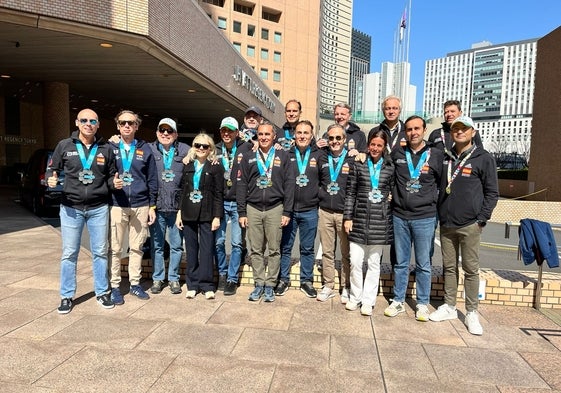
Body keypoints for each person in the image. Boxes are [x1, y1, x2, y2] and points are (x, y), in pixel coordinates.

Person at [429, 116, 498, 335]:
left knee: (470, 269)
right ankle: (449, 306)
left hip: (470, 224)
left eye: (464, 129)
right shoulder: (445, 157)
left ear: (473, 132)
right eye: (455, 129)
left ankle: (471, 312)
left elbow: (492, 192)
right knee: (449, 268)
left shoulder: (482, 158)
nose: (459, 132)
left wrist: (482, 219)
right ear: (451, 133)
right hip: (447, 223)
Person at [47, 108, 121, 314]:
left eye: (93, 121)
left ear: (98, 124)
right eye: (84, 120)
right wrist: (51, 178)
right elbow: (52, 168)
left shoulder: (106, 148)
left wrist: (114, 183)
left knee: (100, 252)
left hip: (98, 207)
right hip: (71, 207)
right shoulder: (64, 145)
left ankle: (102, 292)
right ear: (77, 123)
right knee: (70, 253)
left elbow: (111, 175)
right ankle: (66, 296)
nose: (88, 124)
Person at [384, 115, 443, 322]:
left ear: (424, 130)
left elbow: (443, 185)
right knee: (400, 263)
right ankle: (398, 300)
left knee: (423, 263)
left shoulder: (436, 154)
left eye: (417, 128)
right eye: (409, 129)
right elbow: (388, 176)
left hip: (425, 217)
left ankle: (422, 303)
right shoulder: (398, 153)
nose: (413, 132)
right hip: (400, 215)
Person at [237, 121, 294, 302]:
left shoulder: (283, 156)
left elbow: (290, 185)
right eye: (260, 134)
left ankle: (270, 284)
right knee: (255, 250)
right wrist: (242, 212)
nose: (263, 137)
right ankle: (259, 283)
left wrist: (287, 212)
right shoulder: (248, 156)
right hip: (252, 208)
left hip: (275, 208)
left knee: (274, 249)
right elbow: (241, 185)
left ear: (273, 136)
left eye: (267, 134)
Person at [109, 110, 158, 305]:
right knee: (115, 249)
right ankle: (114, 286)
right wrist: (112, 185)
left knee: (137, 247)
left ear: (137, 126)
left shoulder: (145, 149)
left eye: (131, 123)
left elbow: (152, 179)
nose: (127, 126)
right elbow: (104, 175)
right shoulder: (109, 147)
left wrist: (152, 205)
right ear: (118, 126)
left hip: (140, 205)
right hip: (117, 204)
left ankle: (135, 284)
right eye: (123, 123)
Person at [344, 130, 394, 315]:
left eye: (379, 145)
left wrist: (391, 197)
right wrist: (348, 217)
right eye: (372, 144)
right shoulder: (359, 164)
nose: (375, 148)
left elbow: (394, 188)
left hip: (379, 220)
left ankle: (368, 301)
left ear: (384, 147)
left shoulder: (390, 166)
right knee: (356, 262)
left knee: (374, 264)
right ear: (368, 145)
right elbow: (350, 192)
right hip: (358, 218)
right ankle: (355, 297)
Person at [277, 120, 323, 298]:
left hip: (310, 210)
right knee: (286, 247)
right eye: (299, 133)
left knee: (307, 248)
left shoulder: (319, 155)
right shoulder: (285, 154)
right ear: (294, 135)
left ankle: (306, 281)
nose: (302, 136)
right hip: (288, 210)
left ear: (311, 135)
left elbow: (325, 181)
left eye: (306, 133)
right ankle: (283, 280)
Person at [176, 133, 224, 299]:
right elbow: (182, 191)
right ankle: (192, 284)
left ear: (210, 148)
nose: (201, 149)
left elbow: (219, 193)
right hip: (188, 212)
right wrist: (179, 214)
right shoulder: (188, 164)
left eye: (205, 146)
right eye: (198, 145)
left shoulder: (215, 166)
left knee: (206, 250)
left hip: (207, 213)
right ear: (193, 147)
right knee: (191, 249)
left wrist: (217, 216)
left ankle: (207, 285)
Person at [148, 118, 190, 295]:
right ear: (157, 133)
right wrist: (115, 139)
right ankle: (157, 279)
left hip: (176, 208)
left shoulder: (185, 150)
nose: (166, 134)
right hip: (156, 207)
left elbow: (206, 152)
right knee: (157, 245)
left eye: (169, 131)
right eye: (162, 130)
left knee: (176, 246)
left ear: (176, 134)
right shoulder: (148, 149)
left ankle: (173, 279)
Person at [214, 116, 252, 296]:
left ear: (237, 132)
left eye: (230, 130)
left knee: (237, 243)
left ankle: (232, 278)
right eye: (223, 130)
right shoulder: (214, 149)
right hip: (220, 202)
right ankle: (222, 273)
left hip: (238, 202)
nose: (226, 133)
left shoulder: (247, 147)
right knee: (219, 241)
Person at [316, 124, 353, 303]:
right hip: (325, 211)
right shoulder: (322, 157)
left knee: (346, 253)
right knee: (327, 252)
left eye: (338, 138)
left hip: (344, 214)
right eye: (331, 138)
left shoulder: (353, 159)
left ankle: (346, 286)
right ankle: (328, 285)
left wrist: (350, 215)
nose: (335, 141)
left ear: (344, 140)